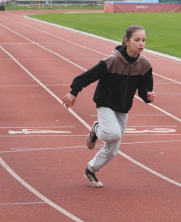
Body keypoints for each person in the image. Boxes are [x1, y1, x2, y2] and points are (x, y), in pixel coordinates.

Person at [61, 25, 155, 188]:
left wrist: (147, 95)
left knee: (113, 149)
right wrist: (73, 91)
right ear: (127, 41)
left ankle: (91, 170)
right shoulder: (112, 61)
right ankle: (97, 128)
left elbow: (144, 87)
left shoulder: (145, 64)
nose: (141, 43)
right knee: (113, 134)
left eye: (144, 40)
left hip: (123, 107)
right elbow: (89, 75)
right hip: (105, 102)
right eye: (137, 40)